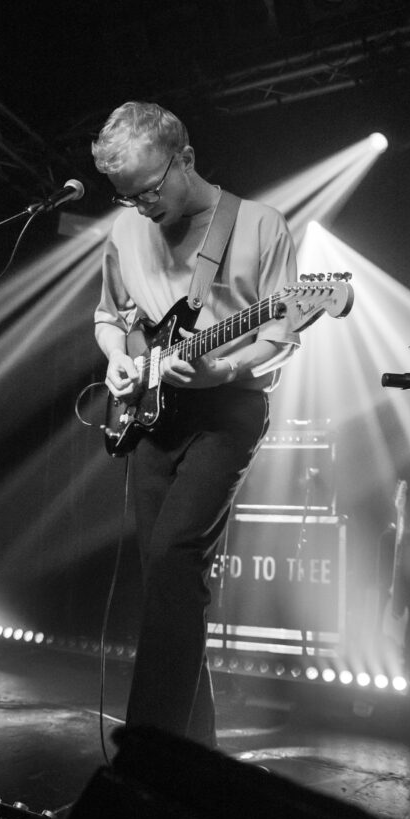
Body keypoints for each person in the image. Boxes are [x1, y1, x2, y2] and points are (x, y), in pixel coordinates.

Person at [92, 101, 299, 748]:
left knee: (175, 556)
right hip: (151, 412)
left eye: (149, 191)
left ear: (184, 158)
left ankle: (147, 752)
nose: (141, 208)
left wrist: (224, 370)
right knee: (166, 583)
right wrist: (118, 363)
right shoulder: (126, 231)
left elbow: (280, 333)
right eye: (127, 198)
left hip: (226, 411)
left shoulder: (261, 224)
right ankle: (194, 753)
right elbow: (110, 316)